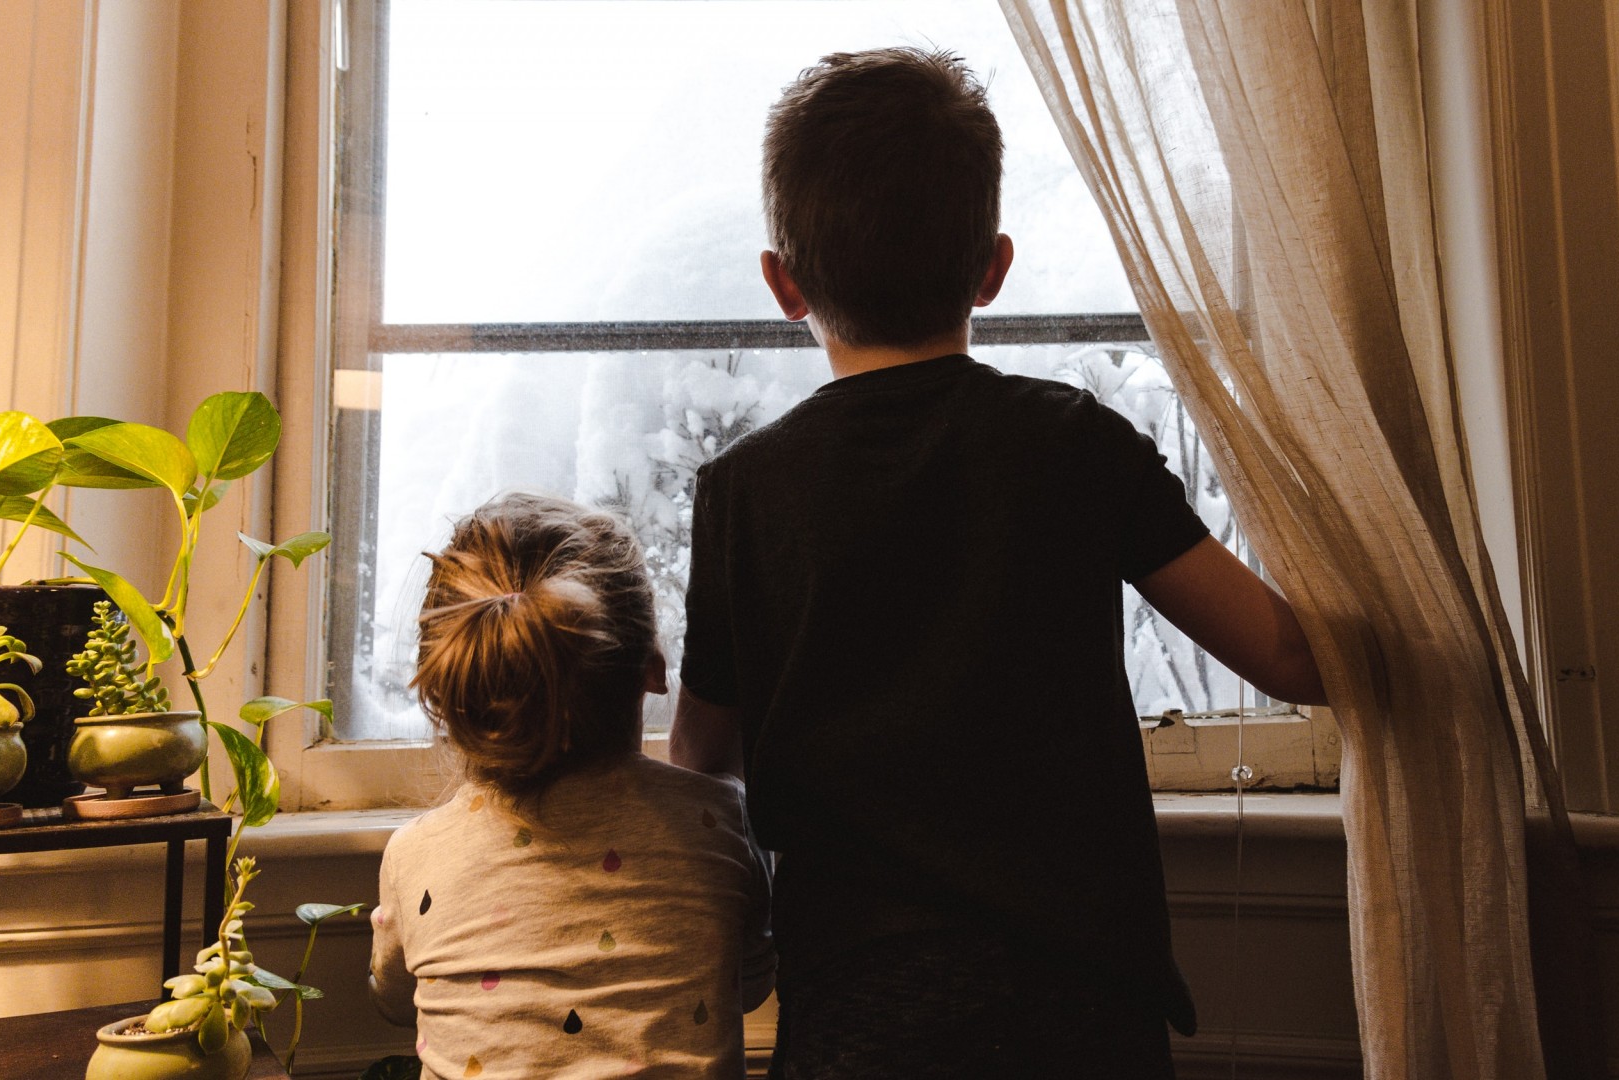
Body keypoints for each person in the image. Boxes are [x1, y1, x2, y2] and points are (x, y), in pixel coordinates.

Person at [669, 47, 1326, 1080]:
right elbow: (1292, 658)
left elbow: (701, 757)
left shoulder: (746, 492)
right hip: (1080, 1006)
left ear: (784, 284)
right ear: (992, 266)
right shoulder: (1074, 441)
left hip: (859, 1012)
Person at [370, 493, 775, 1080]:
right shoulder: (722, 823)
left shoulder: (415, 856)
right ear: (654, 666)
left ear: (447, 698)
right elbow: (753, 984)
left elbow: (390, 1000)